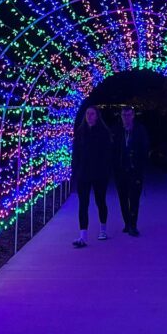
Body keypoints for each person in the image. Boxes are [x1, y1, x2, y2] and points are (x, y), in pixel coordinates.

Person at [71, 105, 114, 248]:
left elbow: (108, 155)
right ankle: (83, 236)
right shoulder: (80, 132)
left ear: (97, 116)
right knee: (83, 204)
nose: (89, 116)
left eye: (92, 114)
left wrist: (106, 171)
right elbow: (76, 154)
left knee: (100, 201)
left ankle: (103, 230)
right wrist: (75, 171)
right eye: (87, 113)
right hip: (83, 174)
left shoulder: (103, 133)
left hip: (99, 174)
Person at [114, 107, 149, 236]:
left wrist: (140, 165)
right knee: (123, 198)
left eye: (128, 115)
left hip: (135, 171)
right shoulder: (117, 130)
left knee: (134, 198)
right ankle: (127, 223)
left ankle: (133, 225)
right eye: (124, 115)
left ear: (133, 115)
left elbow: (144, 148)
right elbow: (113, 149)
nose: (126, 117)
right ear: (121, 116)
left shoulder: (140, 130)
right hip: (121, 171)